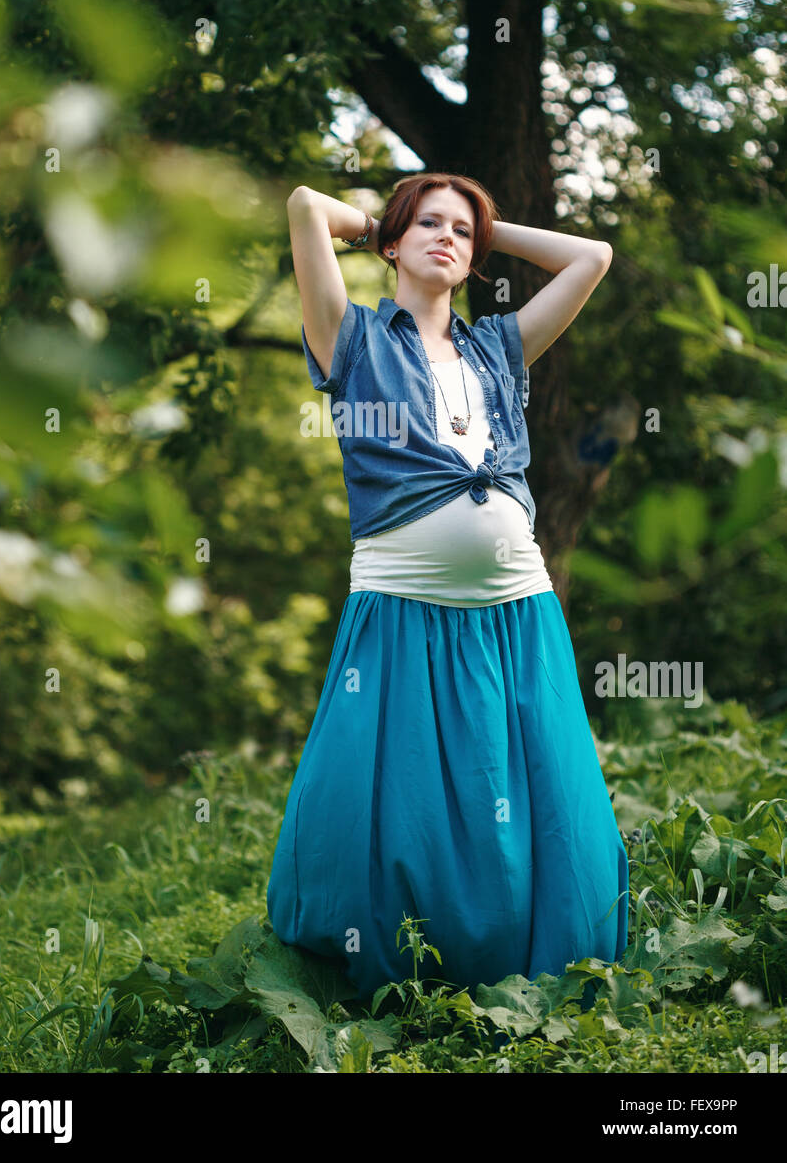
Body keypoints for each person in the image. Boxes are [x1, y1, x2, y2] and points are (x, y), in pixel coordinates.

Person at [266, 172, 629, 1001]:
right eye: (428, 225)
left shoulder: (498, 348)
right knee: (401, 813)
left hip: (518, 613)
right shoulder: (350, 340)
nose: (448, 238)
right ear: (393, 242)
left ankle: (548, 973)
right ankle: (396, 979)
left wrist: (490, 232)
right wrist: (377, 222)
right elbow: (301, 207)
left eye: (462, 233)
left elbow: (592, 258)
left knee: (547, 801)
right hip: (401, 612)